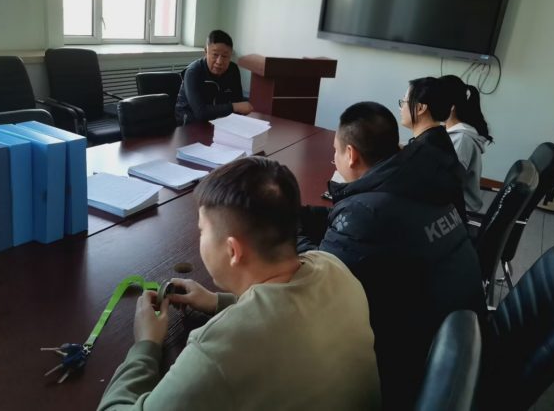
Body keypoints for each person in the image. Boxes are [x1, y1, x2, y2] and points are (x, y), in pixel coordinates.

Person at [98, 157, 381, 411]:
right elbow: (290, 310)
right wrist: (218, 302)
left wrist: (146, 345)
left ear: (232, 250)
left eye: (202, 231)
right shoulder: (333, 266)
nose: (199, 238)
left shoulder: (218, 350)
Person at [298, 102, 486, 410]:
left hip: (402, 371)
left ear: (350, 155)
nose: (335, 158)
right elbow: (358, 231)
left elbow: (317, 279)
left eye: (335, 151)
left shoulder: (368, 213)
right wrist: (301, 214)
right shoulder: (419, 182)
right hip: (453, 349)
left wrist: (287, 235)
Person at [398, 77, 467, 220]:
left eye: (404, 102)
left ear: (420, 108)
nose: (401, 108)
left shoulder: (420, 152)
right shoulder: (441, 138)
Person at [175, 30, 254, 126]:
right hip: (190, 125)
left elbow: (238, 102)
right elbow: (201, 112)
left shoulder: (233, 70)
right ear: (206, 52)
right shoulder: (193, 72)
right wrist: (234, 107)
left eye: (225, 56)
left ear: (231, 55)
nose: (219, 61)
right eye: (215, 55)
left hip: (218, 123)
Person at [440, 75, 494, 213]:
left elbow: (448, 184)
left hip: (458, 210)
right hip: (451, 204)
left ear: (451, 107)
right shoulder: (453, 132)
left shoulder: (462, 139)